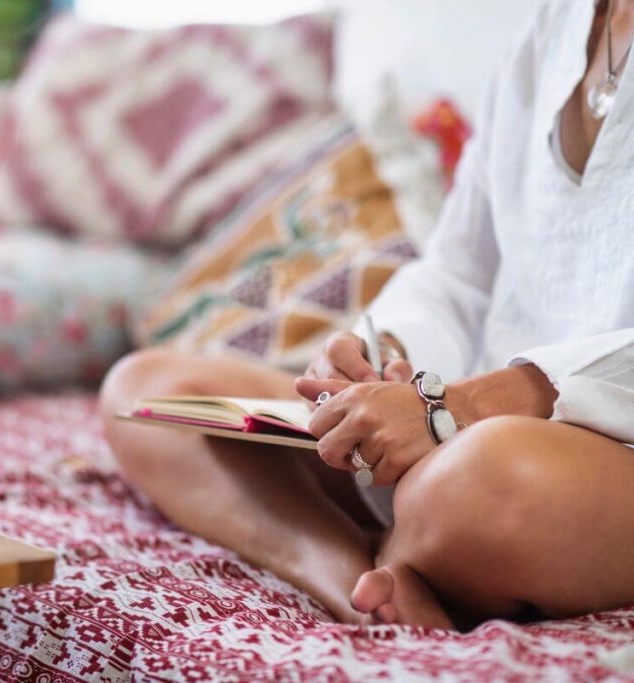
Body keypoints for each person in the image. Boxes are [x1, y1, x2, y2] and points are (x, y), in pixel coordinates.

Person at [99, 0, 634, 629]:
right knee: (143, 391)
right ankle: (355, 582)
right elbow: (459, 272)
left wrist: (462, 408)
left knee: (469, 487)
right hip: (462, 425)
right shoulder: (553, 27)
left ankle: (410, 546)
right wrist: (376, 358)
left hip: (560, 452)